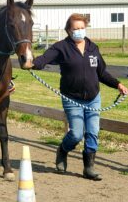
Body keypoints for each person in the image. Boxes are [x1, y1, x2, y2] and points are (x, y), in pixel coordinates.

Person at [32, 13, 128, 181]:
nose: (79, 31)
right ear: (69, 30)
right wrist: (32, 63)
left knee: (92, 132)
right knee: (76, 134)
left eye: (82, 28)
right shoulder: (61, 47)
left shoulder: (93, 47)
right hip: (72, 98)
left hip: (93, 98)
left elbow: (102, 72)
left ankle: (88, 168)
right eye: (75, 29)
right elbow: (44, 59)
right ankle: (63, 150)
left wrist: (117, 84)